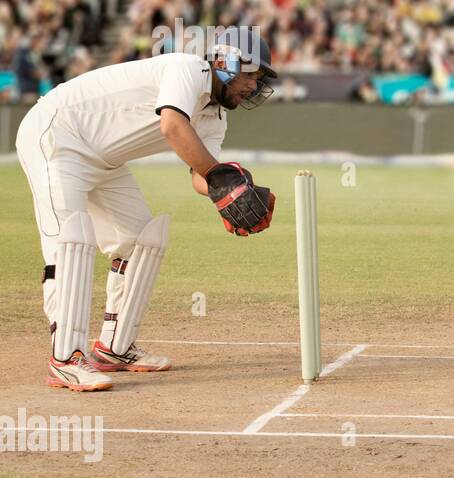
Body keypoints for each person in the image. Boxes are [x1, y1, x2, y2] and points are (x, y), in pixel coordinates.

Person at [16, 26, 278, 391]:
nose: (253, 86)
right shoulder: (188, 69)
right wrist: (220, 178)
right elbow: (172, 126)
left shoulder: (216, 117)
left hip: (104, 159)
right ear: (225, 62)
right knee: (71, 242)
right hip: (57, 134)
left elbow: (200, 175)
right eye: (251, 75)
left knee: (139, 241)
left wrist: (232, 193)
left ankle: (114, 347)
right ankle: (66, 358)